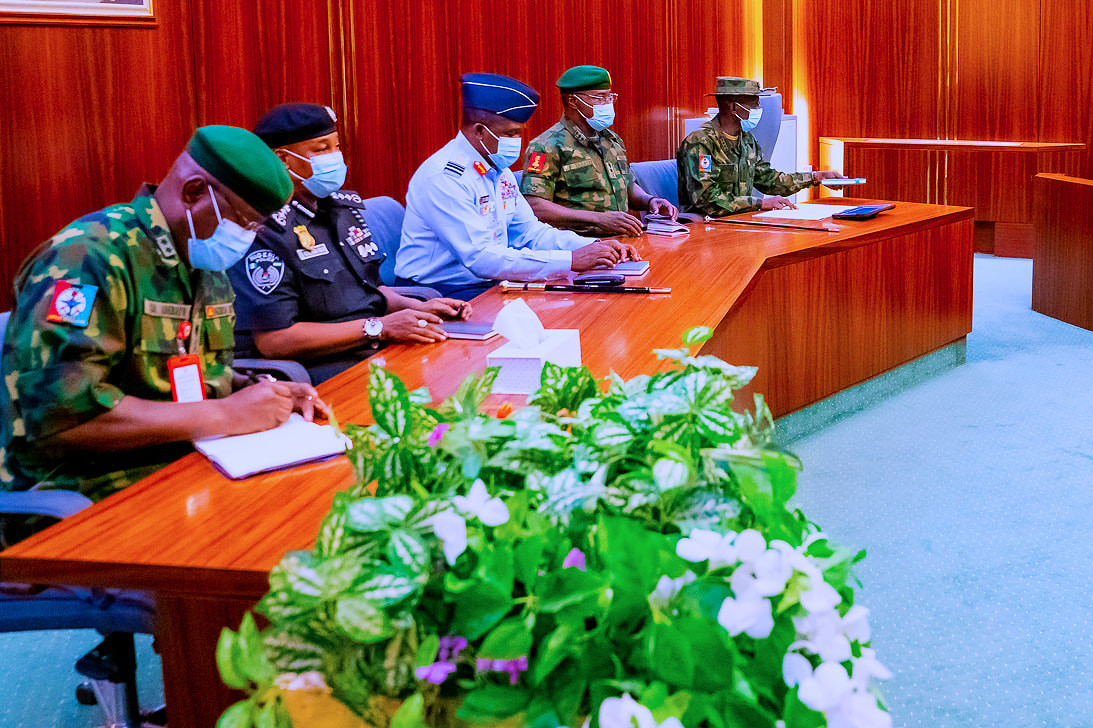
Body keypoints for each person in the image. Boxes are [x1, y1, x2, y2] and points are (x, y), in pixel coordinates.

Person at [1, 126, 327, 501]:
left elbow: (179, 376)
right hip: (84, 491)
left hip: (186, 467)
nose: (248, 238)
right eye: (243, 221)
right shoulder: (89, 259)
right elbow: (63, 420)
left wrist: (259, 392)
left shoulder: (205, 264)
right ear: (193, 193)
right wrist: (227, 414)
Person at [229, 103, 473, 384]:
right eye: (321, 150)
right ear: (283, 159)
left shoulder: (341, 211)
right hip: (323, 367)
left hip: (373, 348)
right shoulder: (264, 230)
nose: (335, 157)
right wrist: (379, 327)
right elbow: (275, 340)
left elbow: (365, 291)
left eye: (336, 147)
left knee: (464, 365)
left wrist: (413, 307)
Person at [396, 73, 638, 300]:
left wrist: (593, 247)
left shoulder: (497, 172)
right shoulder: (444, 177)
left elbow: (530, 233)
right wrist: (570, 260)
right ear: (480, 130)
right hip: (439, 291)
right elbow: (480, 258)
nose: (516, 142)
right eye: (510, 134)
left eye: (518, 133)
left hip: (489, 281)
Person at [520, 65, 679, 236]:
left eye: (610, 97)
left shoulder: (612, 140)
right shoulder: (546, 146)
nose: (608, 103)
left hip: (622, 240)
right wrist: (598, 219)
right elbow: (535, 206)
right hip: (578, 245)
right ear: (573, 101)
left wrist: (650, 201)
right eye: (600, 97)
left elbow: (626, 185)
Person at [677, 76, 844, 217]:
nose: (758, 110)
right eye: (754, 105)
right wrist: (759, 203)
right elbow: (706, 200)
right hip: (705, 230)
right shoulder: (701, 143)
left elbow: (770, 181)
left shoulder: (747, 141)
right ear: (735, 107)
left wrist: (816, 177)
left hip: (741, 224)